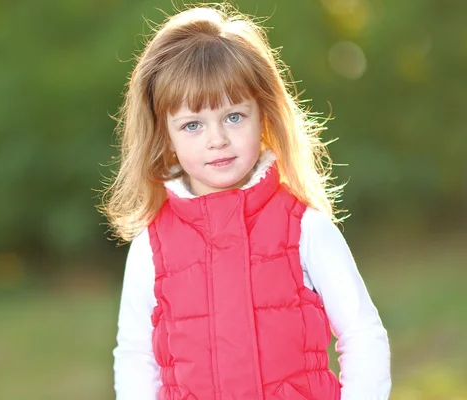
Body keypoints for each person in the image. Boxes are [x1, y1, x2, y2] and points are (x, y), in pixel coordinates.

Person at [100, 3, 391, 399]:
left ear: (264, 116)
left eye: (234, 117)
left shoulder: (304, 227)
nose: (216, 138)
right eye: (192, 124)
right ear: (164, 135)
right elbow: (136, 356)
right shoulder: (152, 246)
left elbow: (362, 334)